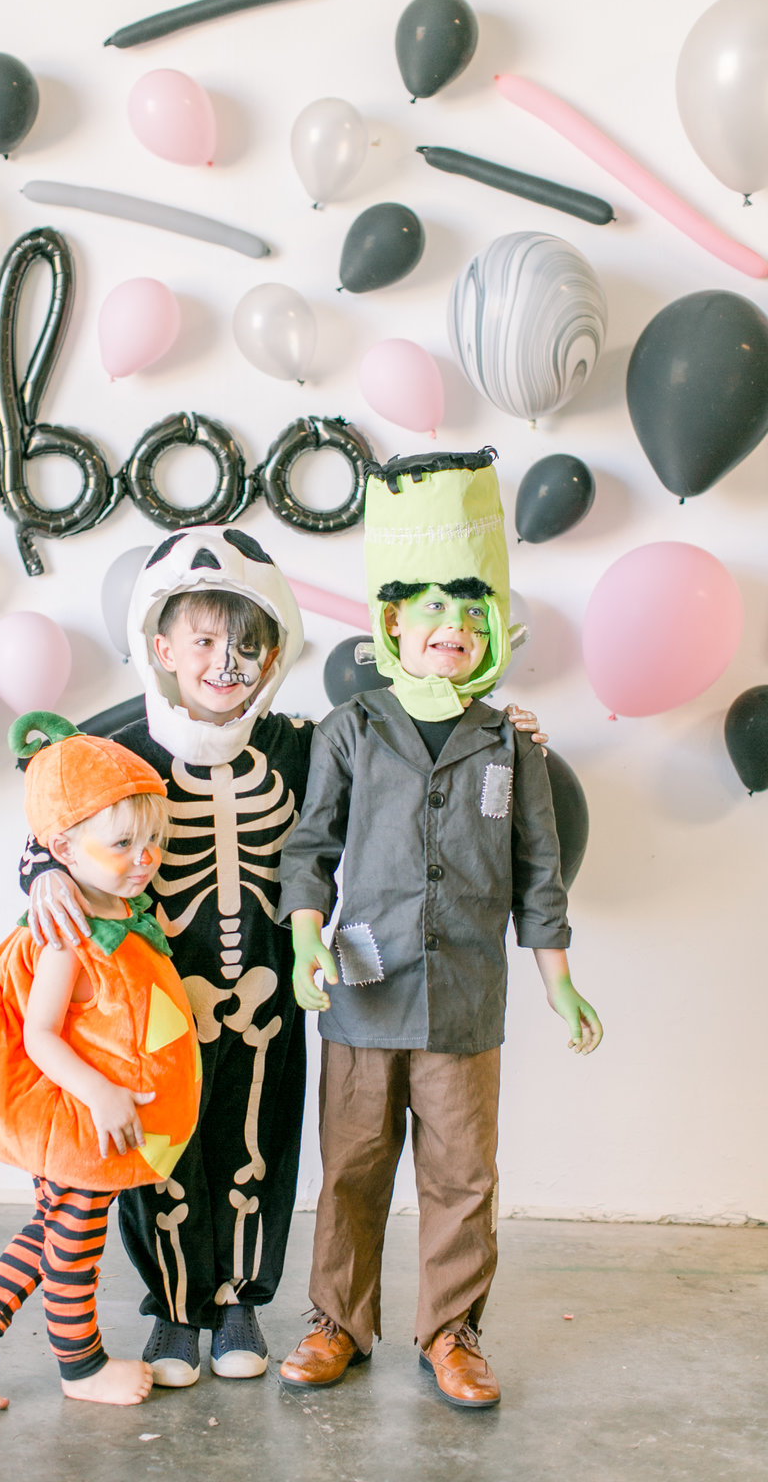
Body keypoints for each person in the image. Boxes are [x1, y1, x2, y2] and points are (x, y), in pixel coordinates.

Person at [22, 526, 549, 1389]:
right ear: (162, 647)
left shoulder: (301, 742)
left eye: (246, 646)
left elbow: (392, 774)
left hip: (271, 990)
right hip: (158, 1000)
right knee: (165, 1154)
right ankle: (175, 1310)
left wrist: (502, 728)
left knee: (258, 1143)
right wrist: (41, 867)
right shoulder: (115, 746)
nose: (226, 663)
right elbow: (52, 803)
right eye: (203, 642)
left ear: (274, 653)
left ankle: (242, 1302)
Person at [276, 450, 602, 1410]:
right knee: (351, 1167)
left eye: (470, 609)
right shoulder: (349, 730)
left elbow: (539, 873)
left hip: (465, 1001)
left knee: (463, 1174)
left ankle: (451, 1332)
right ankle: (337, 1323)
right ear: (392, 623)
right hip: (361, 994)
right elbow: (311, 847)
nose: (452, 625)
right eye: (432, 606)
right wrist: (303, 938)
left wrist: (559, 981)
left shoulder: (510, 742)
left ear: (491, 629)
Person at [0, 714, 200, 1410]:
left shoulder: (120, 906)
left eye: (153, 842)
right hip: (84, 1119)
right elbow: (41, 1036)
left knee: (53, 1226)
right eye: (123, 844)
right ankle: (80, 1366)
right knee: (75, 1243)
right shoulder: (67, 936)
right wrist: (102, 1094)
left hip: (99, 1120)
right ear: (61, 849)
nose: (145, 858)